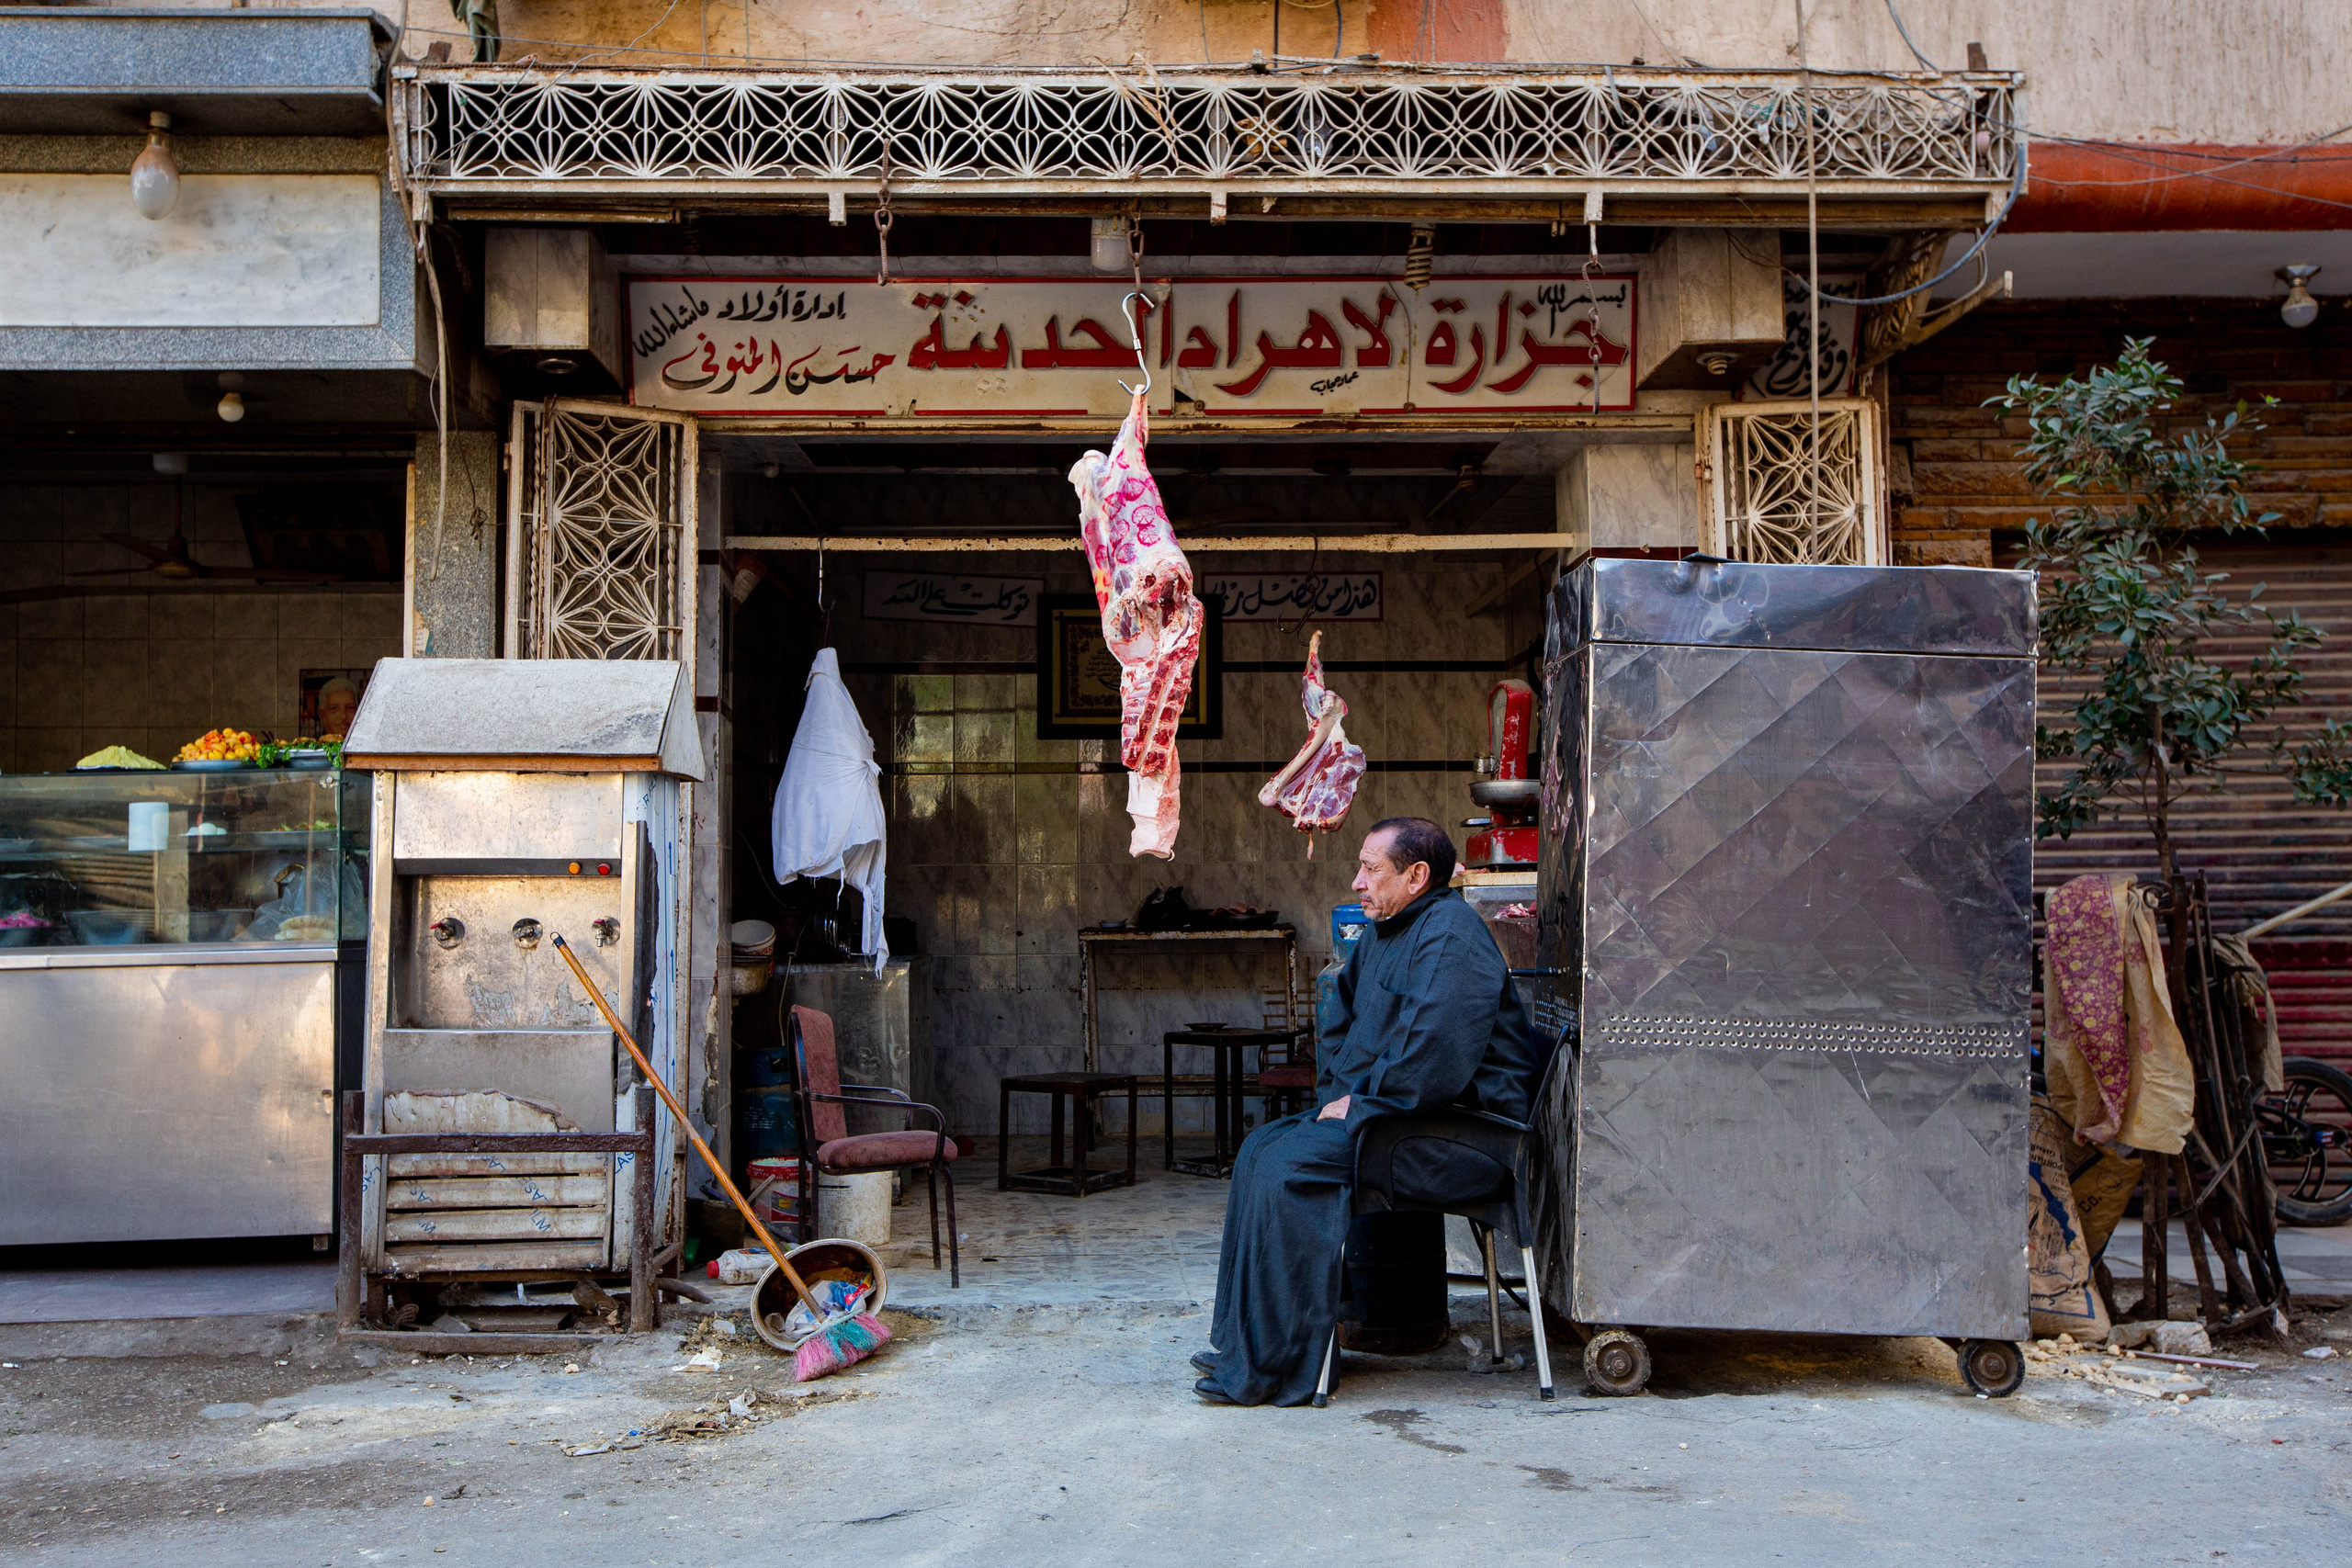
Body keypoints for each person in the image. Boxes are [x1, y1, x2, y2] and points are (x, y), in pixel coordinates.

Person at [1193, 817, 1545, 1406]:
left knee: (1289, 1168)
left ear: (1416, 876)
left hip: (1462, 1139)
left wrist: (1360, 1103)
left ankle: (1281, 1364)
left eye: (1370, 869)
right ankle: (1245, 1347)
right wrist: (1339, 1094)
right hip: (1403, 1120)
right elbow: (1341, 1023)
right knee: (1259, 1149)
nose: (1357, 882)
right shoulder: (1386, 931)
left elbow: (1432, 1057)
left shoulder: (1452, 936)